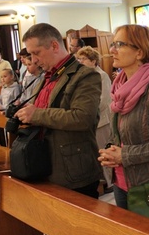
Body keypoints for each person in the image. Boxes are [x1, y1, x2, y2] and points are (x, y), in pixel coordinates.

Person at [98, 25, 149, 217]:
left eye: (119, 44)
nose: (112, 50)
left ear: (139, 52)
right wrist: (111, 150)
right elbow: (120, 132)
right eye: (113, 44)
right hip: (121, 178)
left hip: (147, 181)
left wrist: (125, 155)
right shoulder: (120, 87)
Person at [13, 23, 102, 198]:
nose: (34, 59)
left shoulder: (84, 75)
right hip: (46, 165)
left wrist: (36, 114)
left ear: (54, 46)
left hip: (73, 170)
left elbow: (83, 118)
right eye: (30, 54)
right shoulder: (47, 76)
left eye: (36, 53)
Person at [76, 46, 113, 193]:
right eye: (79, 59)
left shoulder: (101, 75)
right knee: (95, 153)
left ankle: (111, 183)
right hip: (90, 120)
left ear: (93, 60)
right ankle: (101, 180)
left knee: (104, 151)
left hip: (101, 120)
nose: (80, 62)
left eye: (83, 59)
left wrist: (88, 111)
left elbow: (103, 100)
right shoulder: (84, 76)